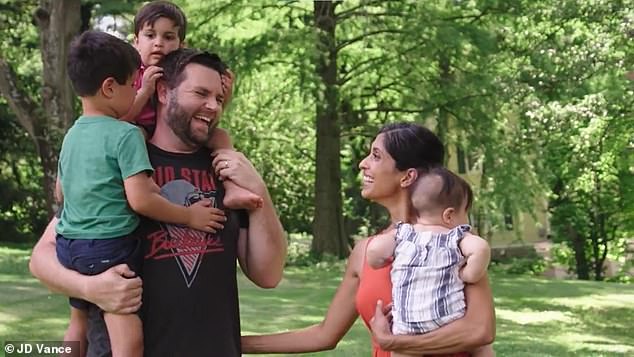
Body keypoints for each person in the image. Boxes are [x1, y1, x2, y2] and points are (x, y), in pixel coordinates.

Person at [30, 48, 287, 357]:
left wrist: (259, 190)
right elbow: (41, 259)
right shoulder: (118, 156)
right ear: (164, 91)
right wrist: (89, 288)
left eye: (219, 98)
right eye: (201, 93)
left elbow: (268, 274)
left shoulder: (227, 170)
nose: (213, 106)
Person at [241, 122, 495, 356]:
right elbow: (323, 335)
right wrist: (232, 344)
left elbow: (479, 331)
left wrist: (396, 342)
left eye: (376, 156)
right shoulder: (366, 251)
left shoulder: (452, 244)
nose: (363, 164)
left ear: (407, 176)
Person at [56, 30, 224, 357]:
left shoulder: (72, 136)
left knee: (78, 326)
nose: (138, 93)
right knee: (128, 341)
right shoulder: (126, 135)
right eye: (134, 85)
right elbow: (141, 202)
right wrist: (190, 215)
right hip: (109, 248)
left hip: (70, 246)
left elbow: (61, 192)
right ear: (109, 88)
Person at [121, 0, 263, 210]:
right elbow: (122, 116)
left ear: (181, 44)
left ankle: (232, 186)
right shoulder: (132, 74)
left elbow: (207, 112)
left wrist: (226, 95)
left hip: (177, 131)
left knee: (221, 136)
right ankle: (144, 182)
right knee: (135, 136)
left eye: (168, 37)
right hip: (138, 128)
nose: (159, 43)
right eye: (150, 36)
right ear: (136, 42)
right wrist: (145, 91)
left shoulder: (189, 73)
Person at [366, 166, 493, 357]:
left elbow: (375, 250)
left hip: (407, 323)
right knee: (482, 347)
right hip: (448, 319)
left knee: (401, 351)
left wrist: (380, 262)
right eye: (465, 212)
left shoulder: (403, 234)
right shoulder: (455, 236)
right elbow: (481, 248)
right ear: (449, 215)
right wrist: (468, 274)